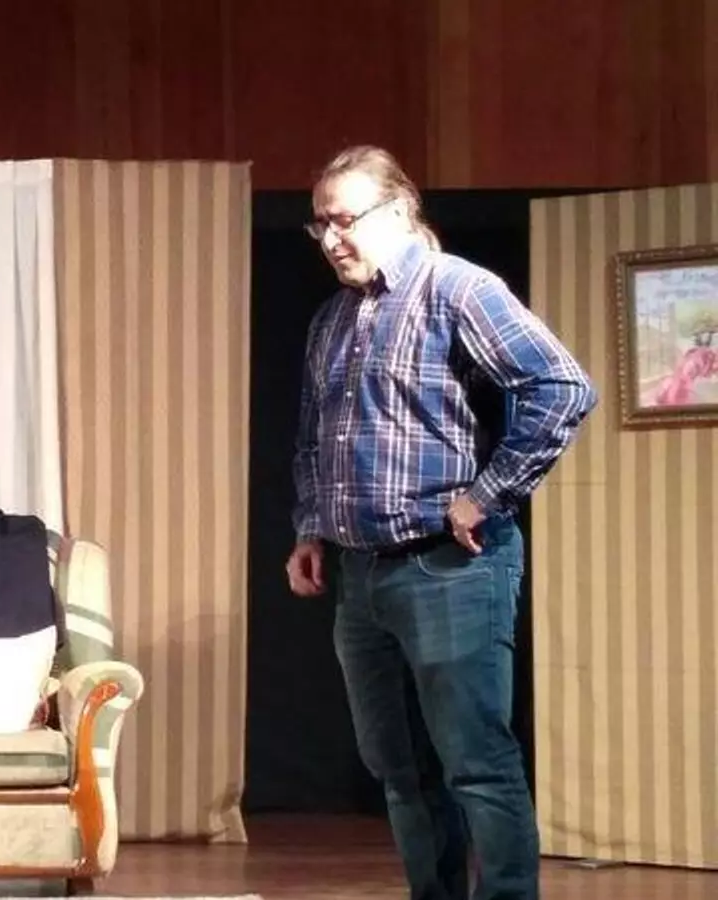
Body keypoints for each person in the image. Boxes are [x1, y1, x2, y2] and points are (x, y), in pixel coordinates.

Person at [285, 145, 597, 900]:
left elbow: (562, 386)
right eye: (320, 224)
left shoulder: (458, 289)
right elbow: (314, 438)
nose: (331, 239)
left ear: (398, 211)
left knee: (477, 764)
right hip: (361, 577)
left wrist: (487, 494)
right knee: (398, 767)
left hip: (449, 568)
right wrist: (310, 528)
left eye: (345, 220)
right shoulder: (332, 319)